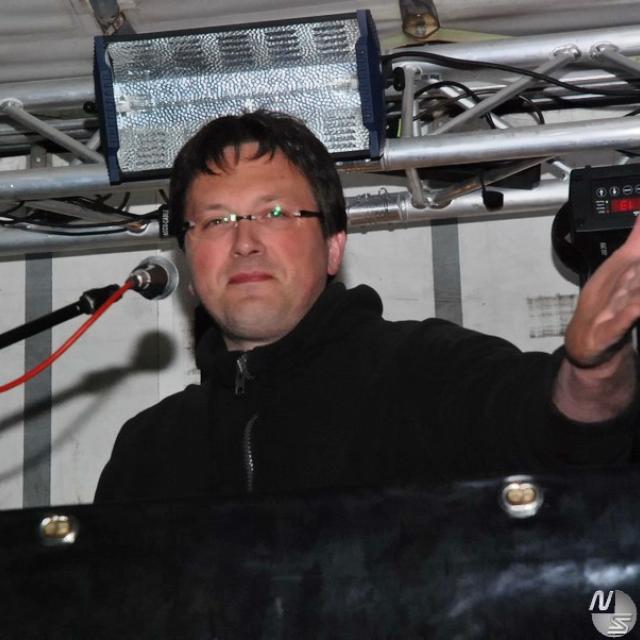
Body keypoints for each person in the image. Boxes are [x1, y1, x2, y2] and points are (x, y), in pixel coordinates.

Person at [94, 110, 639, 503]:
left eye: (276, 213)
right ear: (189, 263)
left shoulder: (427, 370)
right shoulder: (150, 448)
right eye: (216, 221)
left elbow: (564, 434)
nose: (245, 243)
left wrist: (593, 369)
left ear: (334, 247)